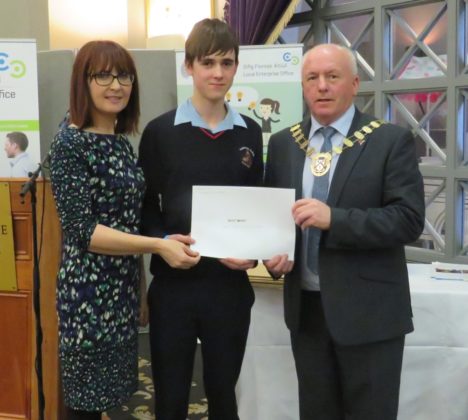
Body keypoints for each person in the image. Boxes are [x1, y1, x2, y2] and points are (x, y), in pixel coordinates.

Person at [264, 43, 425, 420]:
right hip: (306, 314)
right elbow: (276, 221)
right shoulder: (284, 144)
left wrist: (334, 219)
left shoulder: (388, 140)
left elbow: (408, 220)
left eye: (332, 77)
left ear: (354, 84)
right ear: (302, 87)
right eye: (312, 78)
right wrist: (274, 257)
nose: (322, 86)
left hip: (369, 313)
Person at [49, 40, 200, 420]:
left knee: (112, 398)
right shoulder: (70, 143)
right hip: (86, 294)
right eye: (103, 75)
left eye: (125, 76)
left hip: (122, 289)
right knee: (84, 404)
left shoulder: (120, 144)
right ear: (82, 82)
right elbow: (83, 231)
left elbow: (129, 219)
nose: (116, 85)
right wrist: (159, 246)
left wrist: (141, 289)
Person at [138, 18, 263, 420]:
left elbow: (256, 209)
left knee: (225, 397)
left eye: (227, 63)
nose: (218, 73)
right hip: (174, 286)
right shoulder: (160, 132)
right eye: (207, 63)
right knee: (171, 398)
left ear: (236, 67)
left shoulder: (251, 132)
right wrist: (163, 242)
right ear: (188, 66)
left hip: (228, 287)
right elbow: (145, 207)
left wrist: (251, 252)